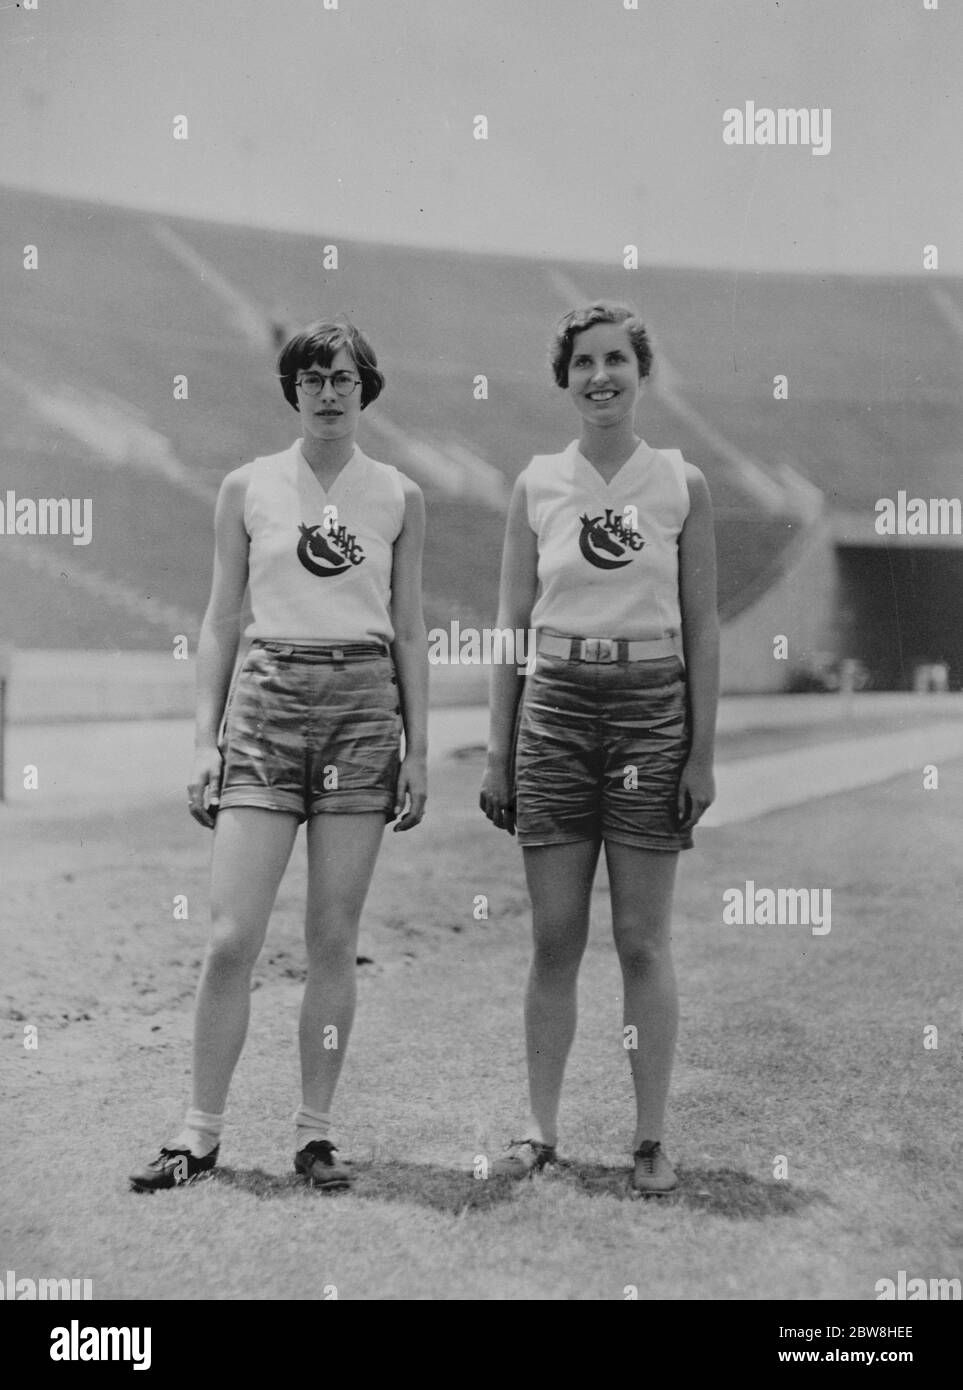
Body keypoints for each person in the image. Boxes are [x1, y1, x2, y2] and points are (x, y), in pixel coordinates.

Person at [131, 319, 428, 1193]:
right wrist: (203, 738)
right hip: (265, 702)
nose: (327, 392)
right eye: (310, 378)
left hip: (361, 705)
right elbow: (222, 620)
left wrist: (417, 749)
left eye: (341, 377)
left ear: (364, 387)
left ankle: (314, 1135)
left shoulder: (398, 495)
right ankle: (199, 1132)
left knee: (332, 936)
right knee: (230, 937)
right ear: (291, 390)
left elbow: (409, 628)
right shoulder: (248, 487)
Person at [479, 301, 718, 1194]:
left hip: (651, 708)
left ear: (641, 372)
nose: (600, 376)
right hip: (556, 707)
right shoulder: (538, 482)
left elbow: (703, 627)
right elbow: (507, 625)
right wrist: (498, 751)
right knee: (552, 940)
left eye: (616, 359)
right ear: (564, 377)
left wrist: (699, 752)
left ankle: (650, 1136)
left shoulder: (680, 483)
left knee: (642, 940)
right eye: (582, 362)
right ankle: (539, 1130)